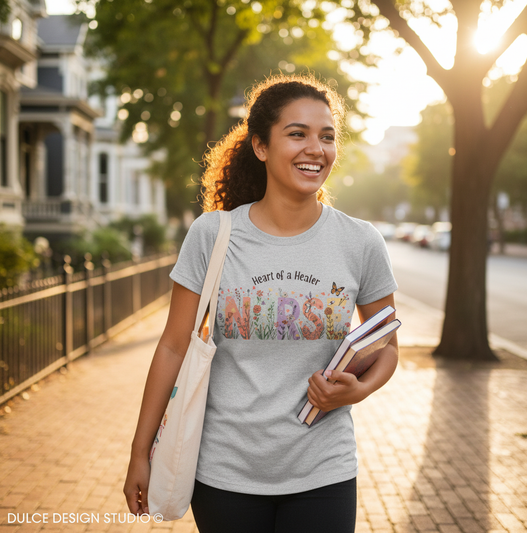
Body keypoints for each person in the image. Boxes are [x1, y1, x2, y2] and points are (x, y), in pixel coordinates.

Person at [124, 73, 399, 533]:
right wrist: (139, 452)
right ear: (260, 147)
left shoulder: (360, 241)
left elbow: (387, 347)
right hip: (225, 472)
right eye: (298, 134)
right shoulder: (212, 235)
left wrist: (361, 389)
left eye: (327, 137)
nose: (316, 148)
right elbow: (173, 347)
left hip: (323, 471)